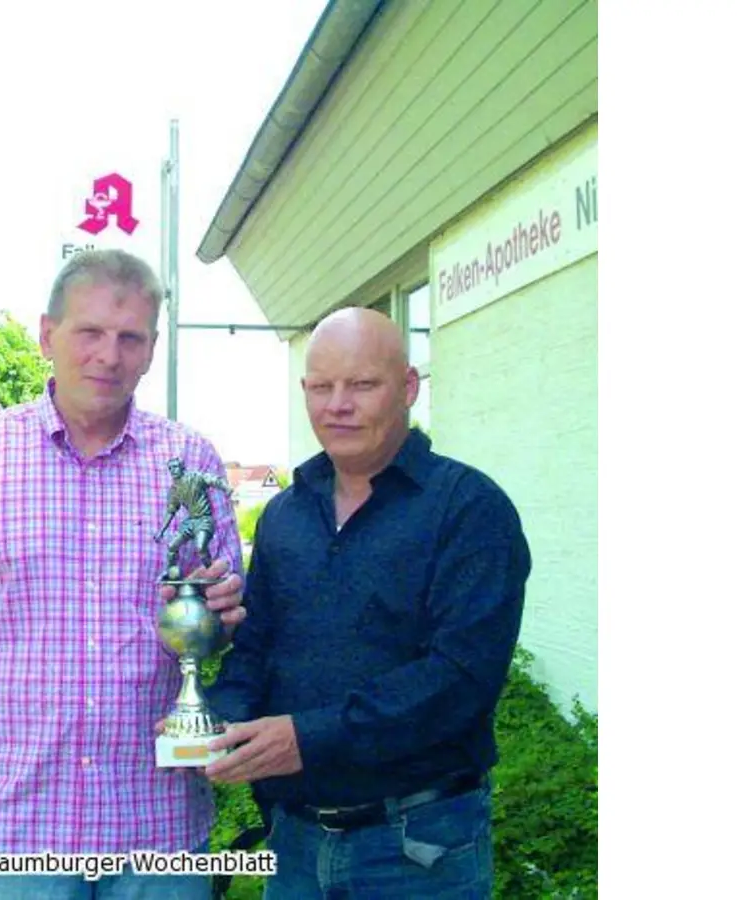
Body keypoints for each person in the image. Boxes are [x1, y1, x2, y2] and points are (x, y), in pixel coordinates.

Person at [0, 248, 247, 900]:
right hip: (14, 831)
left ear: (151, 349)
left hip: (157, 826)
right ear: (47, 335)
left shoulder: (190, 461)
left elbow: (214, 631)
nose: (109, 355)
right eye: (89, 332)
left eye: (130, 337)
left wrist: (217, 621)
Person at [203, 307, 531, 899]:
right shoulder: (284, 515)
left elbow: (460, 679)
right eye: (322, 387)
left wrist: (307, 737)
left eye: (362, 384)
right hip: (295, 844)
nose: (338, 405)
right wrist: (214, 718)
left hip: (418, 847)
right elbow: (256, 646)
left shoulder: (469, 509)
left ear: (408, 387)